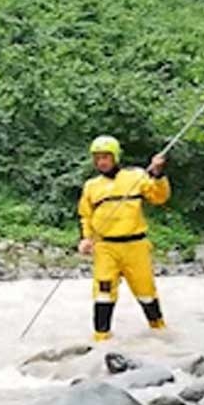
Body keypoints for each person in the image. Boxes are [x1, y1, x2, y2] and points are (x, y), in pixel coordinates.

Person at [77, 134, 171, 341]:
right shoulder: (91, 186)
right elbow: (86, 215)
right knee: (103, 294)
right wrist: (85, 238)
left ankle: (160, 333)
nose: (101, 162)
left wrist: (157, 173)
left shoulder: (136, 176)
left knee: (146, 292)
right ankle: (101, 339)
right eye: (97, 158)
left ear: (115, 157)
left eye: (105, 157)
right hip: (105, 247)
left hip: (135, 246)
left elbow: (159, 197)